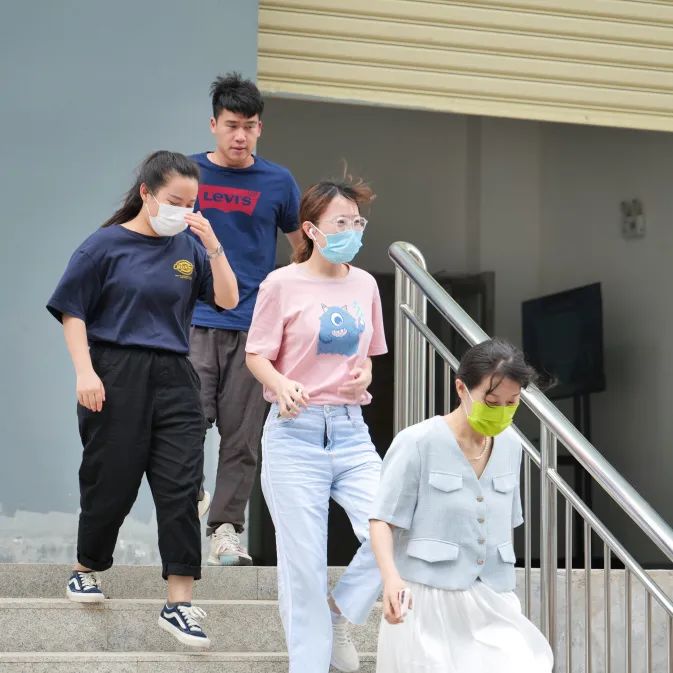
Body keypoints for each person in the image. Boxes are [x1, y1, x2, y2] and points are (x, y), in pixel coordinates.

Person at [46, 151, 238, 649]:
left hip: (176, 375)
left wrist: (213, 246)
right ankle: (86, 567)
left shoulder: (189, 248)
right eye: (175, 201)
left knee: (181, 487)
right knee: (112, 478)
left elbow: (228, 300)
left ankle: (179, 602)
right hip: (115, 371)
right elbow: (72, 312)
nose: (184, 211)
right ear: (147, 193)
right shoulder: (104, 246)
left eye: (192, 203)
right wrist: (85, 371)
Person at [245, 177, 386, 673]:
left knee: (395, 528)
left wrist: (365, 374)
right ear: (311, 229)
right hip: (295, 432)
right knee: (303, 568)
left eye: (357, 222)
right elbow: (256, 354)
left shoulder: (365, 284)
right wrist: (280, 383)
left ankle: (339, 611)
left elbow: (368, 355)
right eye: (340, 222)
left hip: (351, 431)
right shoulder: (281, 284)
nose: (352, 231)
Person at [369, 338, 554, 672]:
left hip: (492, 596)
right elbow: (382, 520)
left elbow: (503, 520)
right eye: (491, 402)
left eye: (511, 403)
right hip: (428, 599)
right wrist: (391, 579)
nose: (501, 411)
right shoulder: (417, 442)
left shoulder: (511, 445)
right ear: (461, 388)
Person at [189, 72, 302, 566]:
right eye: (231, 125)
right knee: (183, 424)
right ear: (213, 124)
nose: (240, 136)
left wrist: (289, 310)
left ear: (260, 129)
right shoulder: (188, 175)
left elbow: (301, 249)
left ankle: (226, 528)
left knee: (242, 436)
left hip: (254, 328)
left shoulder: (278, 182)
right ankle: (192, 496)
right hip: (193, 320)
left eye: (249, 126)